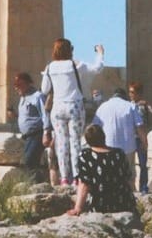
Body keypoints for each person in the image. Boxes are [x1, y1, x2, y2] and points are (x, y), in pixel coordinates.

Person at [39, 38, 105, 186]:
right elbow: (97, 68)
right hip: (74, 106)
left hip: (57, 107)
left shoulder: (50, 67)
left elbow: (44, 89)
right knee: (75, 142)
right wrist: (100, 53)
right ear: (70, 50)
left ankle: (64, 177)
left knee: (61, 143)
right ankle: (76, 176)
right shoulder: (75, 65)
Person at [66, 122, 135, 215]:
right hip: (124, 204)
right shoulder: (119, 153)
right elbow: (128, 179)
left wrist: (78, 208)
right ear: (104, 137)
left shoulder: (86, 156)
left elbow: (84, 184)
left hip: (100, 205)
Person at [93, 84, 144, 194]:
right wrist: (145, 143)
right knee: (129, 175)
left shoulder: (102, 107)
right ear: (124, 96)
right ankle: (130, 195)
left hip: (108, 147)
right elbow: (139, 127)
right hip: (127, 147)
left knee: (110, 174)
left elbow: (95, 128)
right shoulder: (131, 106)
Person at [12, 72, 47, 175]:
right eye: (15, 85)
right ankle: (34, 181)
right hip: (27, 136)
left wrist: (47, 133)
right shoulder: (22, 98)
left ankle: (36, 182)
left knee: (30, 160)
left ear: (26, 83)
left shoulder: (37, 96)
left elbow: (45, 115)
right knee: (27, 161)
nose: (16, 88)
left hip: (37, 133)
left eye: (18, 85)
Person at [127, 81, 152, 194]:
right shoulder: (128, 105)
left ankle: (143, 186)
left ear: (138, 93)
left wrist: (147, 104)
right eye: (130, 92)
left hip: (140, 138)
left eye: (132, 92)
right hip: (130, 137)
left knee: (143, 164)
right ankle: (130, 186)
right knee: (129, 164)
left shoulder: (143, 105)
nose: (130, 94)